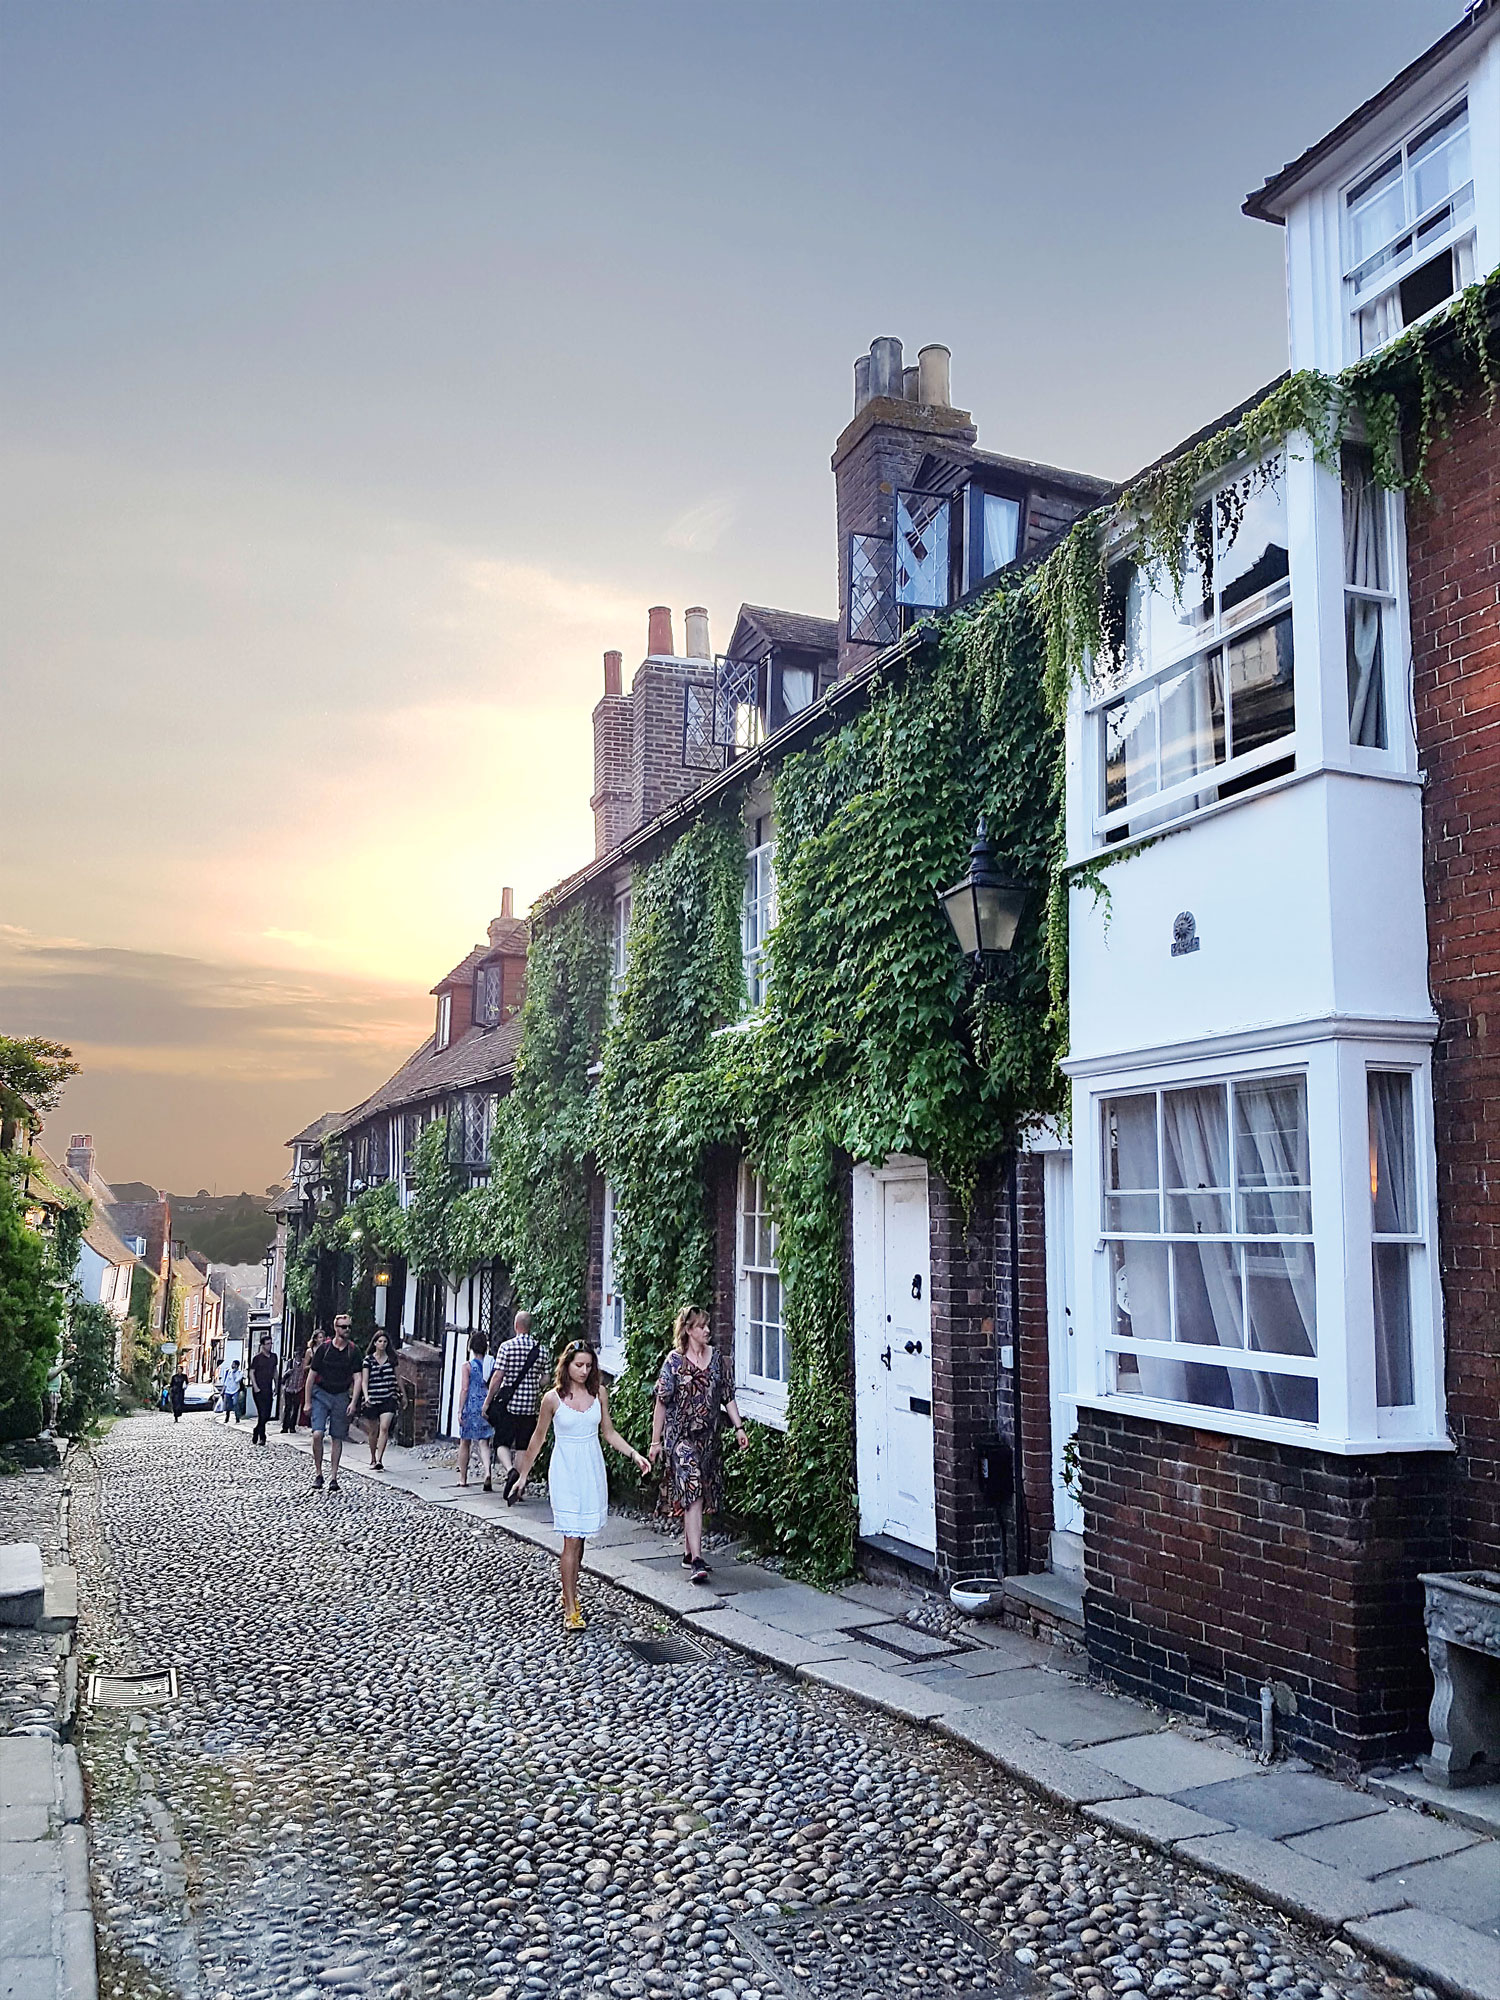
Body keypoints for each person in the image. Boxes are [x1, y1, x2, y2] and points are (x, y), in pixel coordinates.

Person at [510, 1340, 650, 1631]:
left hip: (591, 1469)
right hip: (565, 1470)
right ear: (567, 1365)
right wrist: (523, 1474)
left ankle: (570, 1589)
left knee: (582, 1537)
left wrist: (634, 1454)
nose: (584, 1370)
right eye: (578, 1365)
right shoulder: (553, 1399)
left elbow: (608, 1432)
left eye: (588, 1365)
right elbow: (538, 1438)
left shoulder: (599, 1394)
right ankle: (571, 1605)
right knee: (570, 1539)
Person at [649, 1306, 749, 1584]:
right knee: (692, 1484)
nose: (708, 1330)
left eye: (708, 1326)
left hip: (708, 1439)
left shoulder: (716, 1358)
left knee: (699, 1494)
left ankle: (687, 1551)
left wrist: (739, 1428)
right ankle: (697, 1559)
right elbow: (661, 1401)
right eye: (702, 1326)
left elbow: (726, 1395)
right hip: (679, 1438)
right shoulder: (674, 1362)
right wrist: (655, 1442)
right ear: (688, 1330)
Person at [482, 1310, 545, 1495]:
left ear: (516, 1326)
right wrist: (533, 1383)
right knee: (522, 1446)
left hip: (509, 1405)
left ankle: (510, 1471)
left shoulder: (506, 1347)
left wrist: (488, 1402)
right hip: (529, 1406)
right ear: (530, 1326)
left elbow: (497, 1376)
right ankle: (517, 1488)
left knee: (501, 1442)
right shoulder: (541, 1349)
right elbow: (546, 1378)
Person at [303, 1314, 361, 1494]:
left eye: (349, 1327)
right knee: (317, 1434)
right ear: (336, 1328)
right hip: (321, 1394)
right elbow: (311, 1377)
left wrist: (353, 1401)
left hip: (341, 1395)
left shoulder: (353, 1351)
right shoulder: (324, 1349)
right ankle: (318, 1472)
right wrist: (307, 1402)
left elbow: (357, 1377)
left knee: (337, 1436)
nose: (347, 1330)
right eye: (344, 1327)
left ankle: (334, 1476)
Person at [356, 1330, 399, 1470]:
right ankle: (373, 1457)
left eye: (385, 1342)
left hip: (388, 1397)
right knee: (373, 1431)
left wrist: (402, 1395)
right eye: (380, 1341)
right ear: (375, 1343)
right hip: (373, 1398)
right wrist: (366, 1396)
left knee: (384, 1427)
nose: (382, 1344)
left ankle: (380, 1459)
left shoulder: (392, 1359)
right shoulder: (368, 1360)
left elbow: (398, 1378)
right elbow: (364, 1381)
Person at [455, 1331, 494, 1489]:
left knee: (465, 1442)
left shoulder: (468, 1366)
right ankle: (487, 1472)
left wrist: (459, 1410)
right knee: (484, 1442)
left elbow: (464, 1388)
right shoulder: (491, 1365)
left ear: (471, 1347)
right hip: (486, 1404)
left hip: (471, 1405)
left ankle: (463, 1478)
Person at [248, 1333, 279, 1446]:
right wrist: (255, 1386)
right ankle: (262, 1436)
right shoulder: (257, 1359)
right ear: (262, 1345)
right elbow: (251, 1373)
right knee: (262, 1413)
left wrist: (277, 1385)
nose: (270, 1346)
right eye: (267, 1344)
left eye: (271, 1344)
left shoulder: (273, 1357)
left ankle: (257, 1429)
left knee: (267, 1414)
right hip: (258, 1389)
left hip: (268, 1388)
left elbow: (275, 1372)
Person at [282, 1338, 311, 1432]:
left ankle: (292, 1426)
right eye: (297, 1353)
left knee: (295, 1409)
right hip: (289, 1388)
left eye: (299, 1353)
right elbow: (284, 1374)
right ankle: (285, 1427)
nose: (298, 1355)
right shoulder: (290, 1362)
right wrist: (287, 1373)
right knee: (287, 1408)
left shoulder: (304, 1363)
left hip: (298, 1388)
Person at [218, 1357, 243, 1425]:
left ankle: (237, 1418)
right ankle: (227, 1418)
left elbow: (236, 1380)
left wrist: (234, 1373)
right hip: (228, 1391)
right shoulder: (229, 1372)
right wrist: (223, 1391)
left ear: (237, 1365)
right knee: (228, 1405)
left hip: (235, 1390)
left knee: (235, 1403)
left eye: (233, 1364)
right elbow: (226, 1382)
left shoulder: (240, 1373)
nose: (232, 1365)